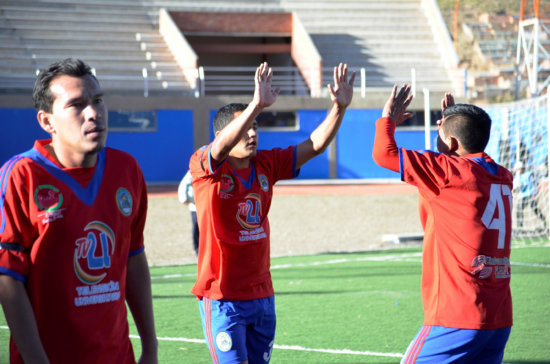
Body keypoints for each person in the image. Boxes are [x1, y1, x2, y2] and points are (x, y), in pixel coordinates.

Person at [189, 62, 355, 364]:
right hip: (223, 298)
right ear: (225, 132)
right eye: (245, 127)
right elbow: (220, 146)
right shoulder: (205, 168)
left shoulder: (267, 164)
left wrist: (339, 109)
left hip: (262, 296)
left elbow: (314, 146)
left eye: (255, 126)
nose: (252, 133)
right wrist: (256, 104)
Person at [0, 58, 158, 364]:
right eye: (77, 105)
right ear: (47, 121)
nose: (94, 113)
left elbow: (134, 256)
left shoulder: (126, 169)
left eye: (98, 100)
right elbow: (7, 278)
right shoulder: (21, 176)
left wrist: (150, 349)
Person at [372, 85, 513, 363]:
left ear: (450, 144)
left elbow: (383, 154)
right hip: (498, 317)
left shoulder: (449, 173)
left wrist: (387, 118)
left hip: (457, 315)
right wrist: (452, 127)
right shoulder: (502, 176)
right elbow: (459, 173)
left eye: (440, 133)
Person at [178, 169, 199, 256]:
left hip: (207, 206)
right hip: (195, 206)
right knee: (197, 227)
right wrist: (184, 198)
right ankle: (197, 249)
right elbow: (183, 184)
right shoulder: (193, 171)